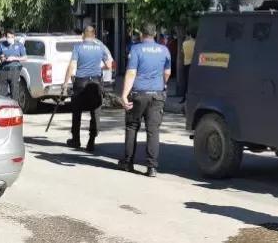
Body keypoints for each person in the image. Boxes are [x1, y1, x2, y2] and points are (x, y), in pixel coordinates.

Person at [118, 23, 171, 177]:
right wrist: (161, 84)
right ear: (154, 34)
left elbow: (131, 73)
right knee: (153, 130)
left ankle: (128, 163)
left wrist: (124, 94)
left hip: (138, 93)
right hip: (157, 94)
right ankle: (152, 167)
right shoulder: (164, 50)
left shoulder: (136, 49)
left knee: (132, 126)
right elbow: (167, 72)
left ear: (141, 34)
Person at [62, 26, 112, 151]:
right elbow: (109, 65)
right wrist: (99, 69)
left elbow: (71, 66)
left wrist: (65, 83)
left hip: (80, 83)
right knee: (95, 113)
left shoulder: (78, 48)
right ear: (94, 36)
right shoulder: (100, 48)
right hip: (95, 83)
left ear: (83, 35)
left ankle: (76, 140)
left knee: (77, 111)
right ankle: (91, 141)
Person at [0, 31, 27, 99]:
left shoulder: (19, 45)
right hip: (3, 70)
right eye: (8, 37)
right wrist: (1, 57)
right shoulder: (1, 45)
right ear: (6, 37)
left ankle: (14, 107)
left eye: (11, 37)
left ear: (14, 37)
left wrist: (14, 58)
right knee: (1, 94)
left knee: (14, 93)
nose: (9, 38)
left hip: (14, 71)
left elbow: (25, 58)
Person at [181, 31, 196, 103]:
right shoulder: (197, 43)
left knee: (186, 82)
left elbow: (183, 52)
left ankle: (184, 98)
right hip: (194, 65)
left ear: (190, 35)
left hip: (186, 64)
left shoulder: (185, 43)